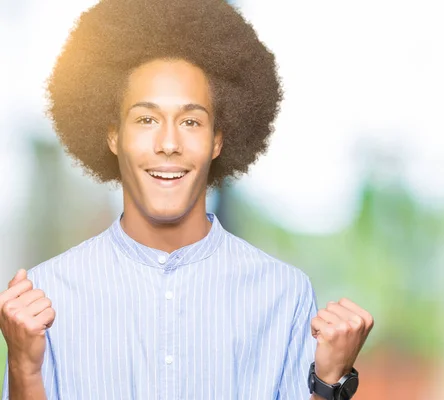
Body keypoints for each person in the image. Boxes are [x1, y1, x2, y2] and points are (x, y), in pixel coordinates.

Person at [0, 0, 374, 399]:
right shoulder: (49, 294)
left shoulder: (282, 293)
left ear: (217, 140)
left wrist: (330, 380)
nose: (168, 144)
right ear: (113, 136)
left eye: (191, 121)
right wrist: (23, 366)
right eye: (146, 119)